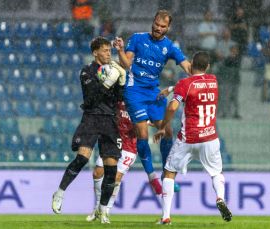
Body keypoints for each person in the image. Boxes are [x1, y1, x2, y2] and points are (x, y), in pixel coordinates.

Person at [112, 10, 191, 194]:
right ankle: (151, 176)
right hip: (134, 91)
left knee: (168, 131)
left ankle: (166, 174)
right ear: (153, 22)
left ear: (168, 28)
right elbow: (125, 63)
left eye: (163, 26)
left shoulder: (169, 46)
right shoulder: (137, 38)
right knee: (143, 132)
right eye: (156, 24)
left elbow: (187, 66)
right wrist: (121, 50)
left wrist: (199, 73)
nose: (158, 28)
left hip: (153, 93)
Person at [51, 36, 126, 224]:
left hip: (110, 120)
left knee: (111, 169)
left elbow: (118, 99)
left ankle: (103, 210)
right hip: (91, 117)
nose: (109, 53)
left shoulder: (115, 70)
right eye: (105, 50)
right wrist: (108, 82)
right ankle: (59, 193)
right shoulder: (87, 71)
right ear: (95, 53)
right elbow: (91, 98)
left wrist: (122, 81)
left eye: (110, 50)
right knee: (82, 158)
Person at [153, 51, 232, 225]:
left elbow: (173, 107)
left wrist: (162, 126)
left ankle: (165, 216)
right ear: (208, 66)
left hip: (188, 138)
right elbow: (194, 85)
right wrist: (172, 88)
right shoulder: (213, 81)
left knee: (169, 173)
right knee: (216, 173)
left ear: (190, 64)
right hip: (210, 137)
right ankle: (220, 198)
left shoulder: (185, 83)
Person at [86, 101, 137, 222]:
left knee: (116, 177)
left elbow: (146, 123)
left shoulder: (136, 102)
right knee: (97, 173)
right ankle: (98, 207)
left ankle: (106, 210)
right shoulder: (115, 101)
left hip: (128, 147)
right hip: (112, 142)